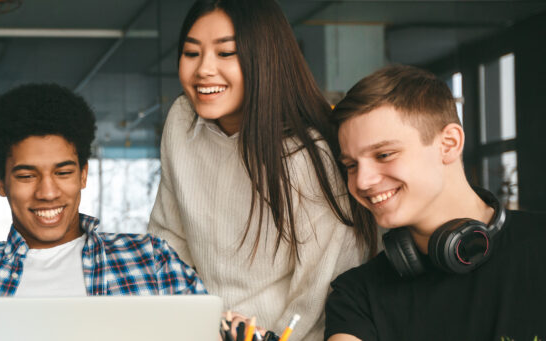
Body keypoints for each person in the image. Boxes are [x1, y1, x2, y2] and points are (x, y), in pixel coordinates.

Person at [0, 84, 207, 340]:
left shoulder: (150, 259)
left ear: (83, 174)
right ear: (0, 182)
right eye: (27, 176)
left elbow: (209, 331)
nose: (47, 192)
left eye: (63, 173)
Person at [147, 0, 378, 339]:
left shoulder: (306, 154)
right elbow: (167, 242)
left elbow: (317, 293)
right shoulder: (181, 123)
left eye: (226, 53)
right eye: (191, 53)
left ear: (265, 58)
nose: (204, 70)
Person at [324, 65, 546, 340]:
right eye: (351, 165)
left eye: (384, 155)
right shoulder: (357, 296)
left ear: (449, 144)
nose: (362, 181)